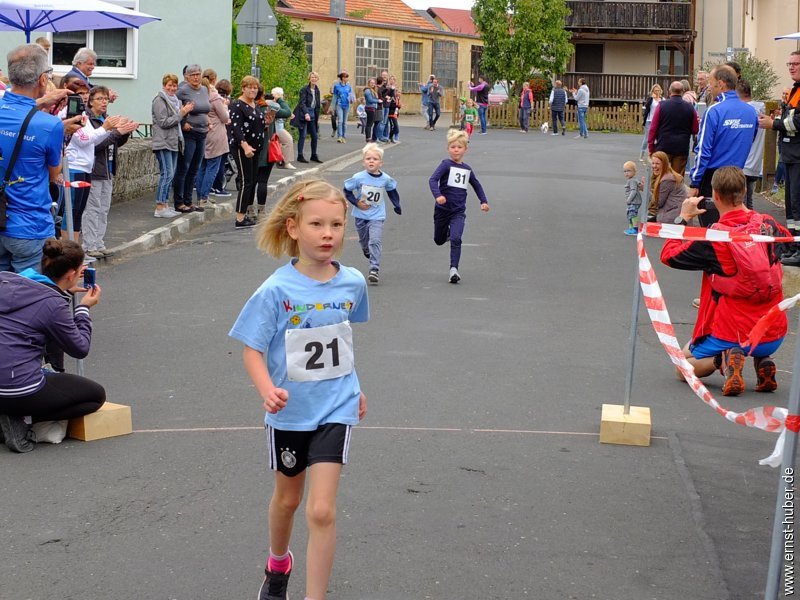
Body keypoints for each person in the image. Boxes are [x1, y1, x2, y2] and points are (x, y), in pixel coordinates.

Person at [228, 179, 369, 600]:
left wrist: (353, 387)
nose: (328, 234)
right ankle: (278, 563)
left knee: (321, 510)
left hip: (336, 407)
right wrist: (267, 390)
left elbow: (340, 340)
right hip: (290, 412)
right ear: (293, 228)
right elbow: (252, 351)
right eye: (317, 224)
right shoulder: (275, 290)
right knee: (288, 500)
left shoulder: (353, 283)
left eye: (337, 225)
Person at [661, 167, 786, 396]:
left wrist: (684, 217)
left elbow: (669, 255)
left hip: (733, 332)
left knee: (682, 364)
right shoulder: (768, 225)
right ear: (745, 190)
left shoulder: (715, 237)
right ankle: (763, 360)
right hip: (774, 332)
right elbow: (789, 245)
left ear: (715, 196)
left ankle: (723, 359)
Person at [0, 239, 105, 453]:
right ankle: (18, 418)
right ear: (71, 275)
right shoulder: (53, 303)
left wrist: (63, 292)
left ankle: (7, 412)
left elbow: (34, 310)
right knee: (95, 396)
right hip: (19, 387)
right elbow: (80, 348)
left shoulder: (6, 280)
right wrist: (83, 308)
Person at [0, 44, 64, 273]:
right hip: (30, 225)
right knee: (28, 299)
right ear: (41, 79)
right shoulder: (50, 125)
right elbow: (54, 174)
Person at [689, 65, 757, 226]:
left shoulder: (714, 111)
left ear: (721, 84)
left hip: (714, 178)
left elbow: (702, 151)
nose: (709, 88)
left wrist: (694, 182)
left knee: (713, 229)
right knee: (734, 228)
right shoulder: (750, 112)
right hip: (738, 176)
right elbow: (750, 140)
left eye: (711, 84)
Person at [82, 86, 137, 258]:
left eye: (106, 99)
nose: (104, 102)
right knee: (92, 208)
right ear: (91, 101)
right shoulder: (88, 120)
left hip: (108, 169)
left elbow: (114, 144)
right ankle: (89, 245)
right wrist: (115, 133)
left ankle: (99, 242)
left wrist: (125, 133)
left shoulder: (106, 119)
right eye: (100, 99)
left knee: (104, 208)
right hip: (94, 170)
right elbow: (94, 145)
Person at [429, 129, 490, 283]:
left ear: (465, 149)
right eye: (453, 147)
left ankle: (453, 269)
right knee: (438, 240)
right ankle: (447, 233)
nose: (456, 150)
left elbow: (476, 185)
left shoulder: (467, 169)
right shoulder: (445, 165)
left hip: (458, 211)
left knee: (457, 238)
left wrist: (483, 201)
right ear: (448, 148)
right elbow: (432, 180)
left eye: (459, 147)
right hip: (442, 210)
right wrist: (438, 196)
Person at [62, 79, 120, 241]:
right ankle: (69, 245)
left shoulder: (83, 115)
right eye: (79, 94)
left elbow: (93, 139)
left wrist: (116, 131)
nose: (83, 98)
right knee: (72, 210)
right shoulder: (68, 114)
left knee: (79, 211)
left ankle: (75, 247)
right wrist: (106, 129)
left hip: (87, 167)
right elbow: (84, 139)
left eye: (85, 93)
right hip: (74, 166)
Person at [759, 54, 800, 265]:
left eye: (795, 64)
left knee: (798, 203)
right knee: (791, 206)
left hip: (798, 155)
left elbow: (797, 123)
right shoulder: (794, 90)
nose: (791, 68)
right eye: (789, 64)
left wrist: (774, 123)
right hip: (790, 155)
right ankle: (793, 245)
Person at [343, 143, 401, 284]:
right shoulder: (358, 177)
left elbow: (392, 190)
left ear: (380, 163)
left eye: (375, 159)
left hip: (377, 216)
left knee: (374, 240)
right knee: (364, 241)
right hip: (361, 215)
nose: (371, 161)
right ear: (363, 162)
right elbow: (346, 190)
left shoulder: (385, 179)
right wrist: (356, 203)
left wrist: (397, 205)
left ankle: (374, 268)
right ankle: (366, 249)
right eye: (368, 158)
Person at [152, 73, 193, 218]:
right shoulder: (159, 100)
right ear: (164, 85)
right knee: (167, 174)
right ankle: (159, 206)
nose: (172, 88)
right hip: (163, 141)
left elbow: (177, 120)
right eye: (169, 85)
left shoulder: (175, 100)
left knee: (171, 174)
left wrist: (184, 113)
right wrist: (181, 113)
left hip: (174, 141)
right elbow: (164, 122)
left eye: (174, 85)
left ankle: (166, 205)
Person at [173, 64, 211, 213]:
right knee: (184, 167)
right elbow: (174, 108)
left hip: (202, 132)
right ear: (187, 77)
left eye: (198, 74)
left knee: (195, 168)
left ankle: (189, 201)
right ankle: (179, 202)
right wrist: (183, 123)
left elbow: (205, 108)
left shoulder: (203, 90)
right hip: (189, 134)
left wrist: (208, 121)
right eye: (193, 74)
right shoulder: (182, 91)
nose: (196, 77)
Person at [229, 75, 264, 229]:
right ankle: (240, 217)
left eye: (255, 88)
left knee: (253, 180)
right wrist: (245, 146)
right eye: (249, 87)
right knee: (245, 182)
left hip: (256, 147)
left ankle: (246, 213)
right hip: (243, 147)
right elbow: (236, 128)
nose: (252, 90)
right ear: (243, 88)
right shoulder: (237, 105)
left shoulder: (254, 105)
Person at [647, 80, 699, 178]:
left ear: (669, 91)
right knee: (677, 178)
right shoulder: (690, 108)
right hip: (681, 147)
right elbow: (695, 129)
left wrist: (651, 147)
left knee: (659, 177)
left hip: (663, 146)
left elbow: (653, 128)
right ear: (683, 91)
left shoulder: (662, 106)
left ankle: (659, 193)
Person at [196, 68, 230, 209]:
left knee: (202, 167)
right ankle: (204, 197)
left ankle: (200, 196)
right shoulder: (215, 97)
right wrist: (225, 106)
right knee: (213, 166)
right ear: (214, 80)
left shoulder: (199, 94)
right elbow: (225, 117)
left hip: (203, 132)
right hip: (216, 133)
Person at [736, 80, 765, 211]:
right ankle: (752, 226)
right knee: (749, 198)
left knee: (741, 201)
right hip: (755, 162)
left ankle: (745, 228)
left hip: (743, 161)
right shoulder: (761, 111)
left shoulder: (744, 112)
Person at [254, 95, 280, 218]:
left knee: (251, 182)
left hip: (252, 149)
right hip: (267, 150)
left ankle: (248, 210)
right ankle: (261, 210)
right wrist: (277, 99)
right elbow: (286, 111)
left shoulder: (249, 109)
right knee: (263, 181)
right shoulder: (270, 108)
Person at [649, 151, 688, 224]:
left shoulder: (667, 180)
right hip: (676, 214)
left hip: (671, 217)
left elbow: (658, 203)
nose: (654, 166)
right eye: (653, 163)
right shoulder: (670, 175)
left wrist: (647, 191)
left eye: (657, 164)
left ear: (664, 164)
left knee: (645, 224)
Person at [293, 71, 322, 164]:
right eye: (312, 77)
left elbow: (317, 106)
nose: (313, 79)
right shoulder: (304, 89)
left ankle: (314, 155)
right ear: (309, 78)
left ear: (317, 79)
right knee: (303, 135)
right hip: (303, 114)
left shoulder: (317, 90)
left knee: (314, 135)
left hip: (313, 114)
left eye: (315, 77)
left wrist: (317, 119)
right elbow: (302, 103)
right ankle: (300, 155)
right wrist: (306, 113)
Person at [271, 87, 296, 171]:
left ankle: (282, 160)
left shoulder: (275, 104)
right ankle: (286, 162)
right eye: (281, 95)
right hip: (276, 128)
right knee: (288, 140)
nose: (282, 97)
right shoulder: (273, 104)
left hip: (278, 127)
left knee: (286, 140)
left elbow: (285, 112)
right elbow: (286, 112)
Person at [640, 84, 663, 161]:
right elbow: (646, 107)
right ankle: (642, 155)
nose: (657, 92)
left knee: (658, 138)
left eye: (658, 90)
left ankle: (655, 155)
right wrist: (651, 98)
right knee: (647, 138)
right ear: (652, 91)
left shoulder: (662, 99)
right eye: (655, 90)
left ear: (660, 91)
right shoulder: (650, 99)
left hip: (659, 122)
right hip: (649, 121)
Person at [622, 161, 643, 236]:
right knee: (630, 214)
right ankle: (631, 228)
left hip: (634, 201)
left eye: (629, 171)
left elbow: (633, 191)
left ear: (634, 172)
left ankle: (635, 228)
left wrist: (629, 200)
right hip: (633, 201)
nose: (626, 173)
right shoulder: (631, 180)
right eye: (625, 171)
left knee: (633, 214)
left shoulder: (632, 181)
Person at [332, 70, 352, 143]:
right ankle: (339, 136)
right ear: (342, 78)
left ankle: (344, 136)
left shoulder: (349, 86)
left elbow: (351, 95)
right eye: (345, 77)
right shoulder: (337, 86)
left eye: (347, 77)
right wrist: (332, 107)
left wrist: (352, 99)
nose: (346, 78)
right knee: (340, 121)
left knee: (345, 122)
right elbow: (334, 97)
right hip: (339, 105)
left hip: (346, 105)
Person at [363, 78, 379, 142]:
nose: (373, 84)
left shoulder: (373, 90)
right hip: (369, 108)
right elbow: (370, 100)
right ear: (368, 83)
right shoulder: (367, 91)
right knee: (369, 124)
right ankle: (368, 137)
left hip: (372, 108)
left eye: (373, 83)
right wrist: (378, 101)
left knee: (370, 123)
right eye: (371, 83)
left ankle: (368, 137)